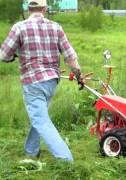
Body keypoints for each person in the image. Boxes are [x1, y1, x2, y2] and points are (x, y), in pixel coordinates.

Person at [0, 0, 83, 161]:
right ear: (44, 8)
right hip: (52, 81)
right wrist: (79, 75)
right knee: (40, 117)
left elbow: (4, 55)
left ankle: (66, 160)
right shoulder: (56, 27)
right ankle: (31, 151)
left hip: (33, 82)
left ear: (28, 8)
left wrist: (12, 58)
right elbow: (70, 56)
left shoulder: (19, 27)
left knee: (41, 121)